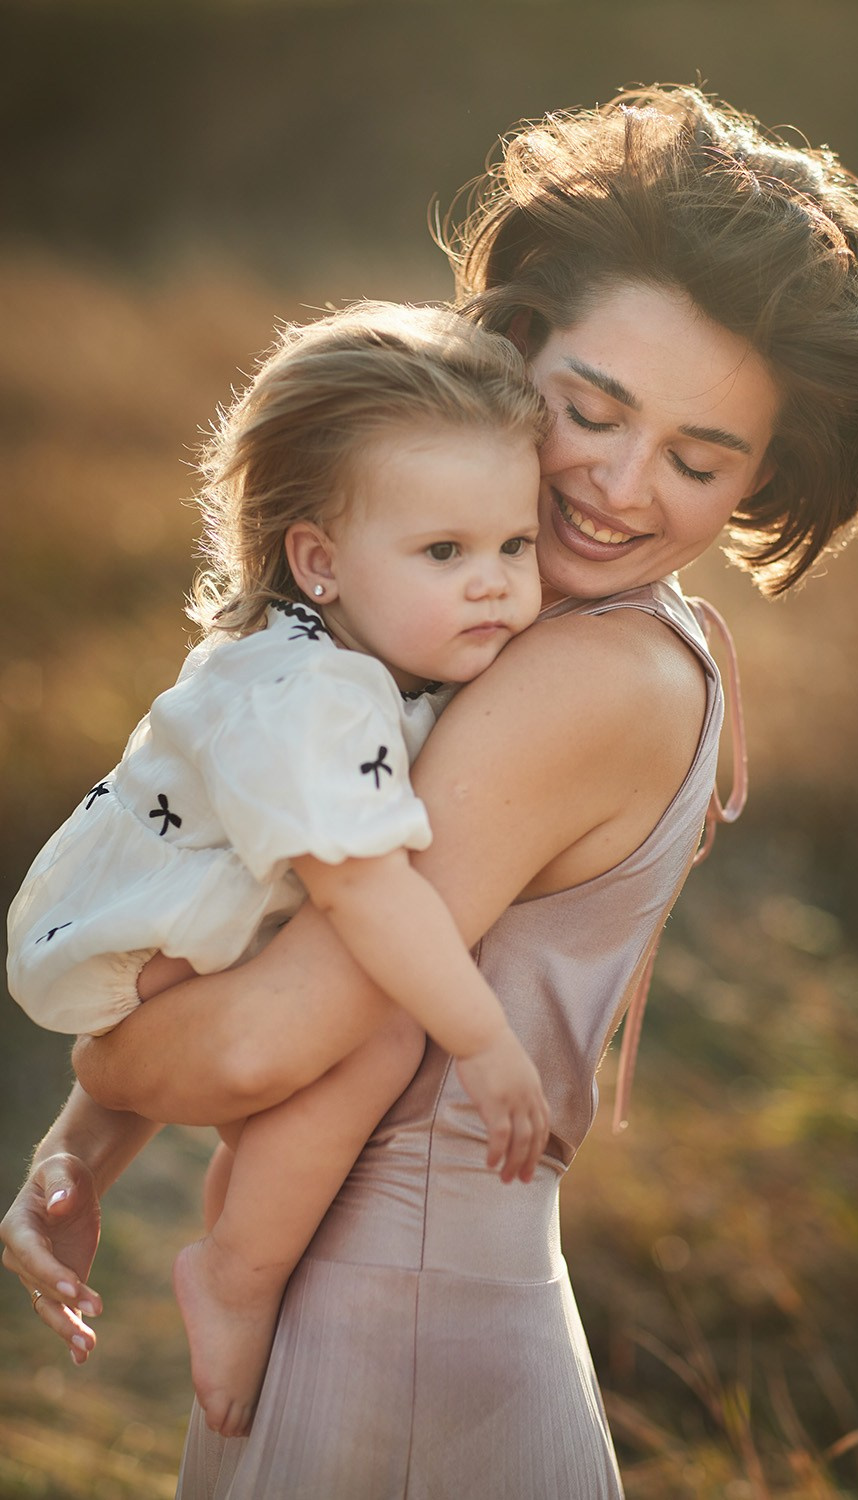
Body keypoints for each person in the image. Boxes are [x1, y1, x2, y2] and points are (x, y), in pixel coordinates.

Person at [2, 86, 858, 1498]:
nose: (622, 489)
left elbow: (270, 1038)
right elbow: (251, 907)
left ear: (765, 477)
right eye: (591, 413)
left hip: (395, 1340)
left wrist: (100, 1066)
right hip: (383, 1308)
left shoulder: (585, 681)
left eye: (699, 461)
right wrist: (81, 1158)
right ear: (515, 352)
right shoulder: (498, 633)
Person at [5, 301, 553, 1437]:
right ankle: (236, 1277)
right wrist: (484, 1041)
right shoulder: (312, 691)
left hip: (161, 938)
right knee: (390, 1025)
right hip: (144, 948)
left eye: (516, 544)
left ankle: (88, 1180)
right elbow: (361, 890)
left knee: (327, 1012)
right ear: (319, 561)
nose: (495, 582)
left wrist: (84, 1150)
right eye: (445, 551)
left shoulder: (359, 652)